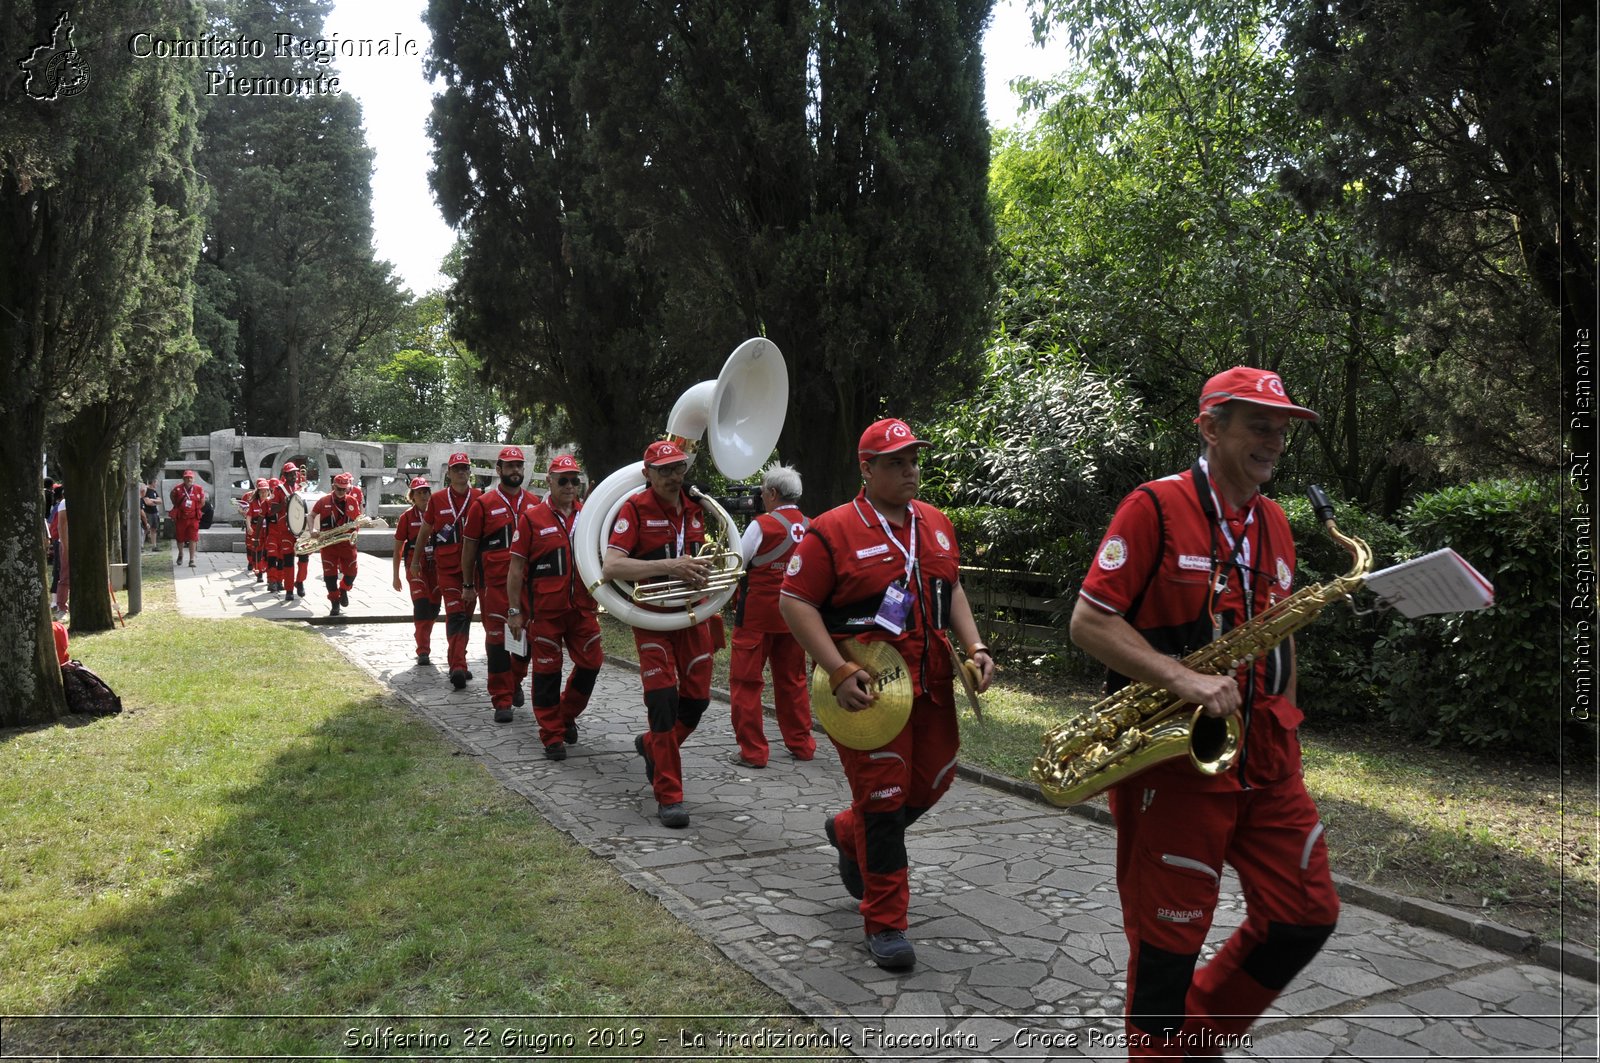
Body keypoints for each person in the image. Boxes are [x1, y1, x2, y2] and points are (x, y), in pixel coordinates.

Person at [1068, 366, 1336, 1058]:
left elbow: (1280, 635)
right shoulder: (1153, 507)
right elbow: (1090, 623)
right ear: (1210, 427)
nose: (1275, 440)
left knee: (1305, 915)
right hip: (1178, 761)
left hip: (1268, 760)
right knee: (1166, 953)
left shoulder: (1276, 522)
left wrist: (1290, 730)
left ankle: (1197, 1035)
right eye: (1259, 425)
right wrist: (1182, 678)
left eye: (1282, 428)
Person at [779, 418, 995, 971]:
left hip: (933, 688)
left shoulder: (937, 524)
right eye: (896, 462)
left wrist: (975, 648)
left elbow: (954, 590)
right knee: (883, 801)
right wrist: (836, 669)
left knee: (936, 779)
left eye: (913, 461)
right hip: (868, 692)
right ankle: (886, 922)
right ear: (867, 469)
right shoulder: (832, 530)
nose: (909, 471)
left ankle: (846, 832)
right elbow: (795, 603)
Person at [602, 440, 719, 829]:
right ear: (647, 474)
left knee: (697, 703)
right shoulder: (633, 509)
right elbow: (612, 566)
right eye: (664, 470)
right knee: (663, 702)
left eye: (678, 468)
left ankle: (652, 746)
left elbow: (705, 556)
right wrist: (671, 566)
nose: (673, 477)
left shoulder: (697, 507)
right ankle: (670, 796)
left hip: (692, 617)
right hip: (652, 619)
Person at [506, 454, 603, 760]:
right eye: (563, 480)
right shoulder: (532, 518)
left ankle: (564, 714)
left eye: (576, 480)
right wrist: (514, 611)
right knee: (548, 673)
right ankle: (551, 735)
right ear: (549, 481)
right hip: (545, 613)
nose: (571, 486)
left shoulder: (589, 516)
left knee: (592, 663)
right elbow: (516, 569)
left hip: (582, 609)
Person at [728, 463, 815, 768]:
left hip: (757, 615)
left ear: (774, 493)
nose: (761, 496)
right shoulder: (811, 524)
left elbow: (736, 562)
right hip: (797, 616)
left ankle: (753, 752)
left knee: (746, 682)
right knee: (793, 680)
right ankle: (802, 744)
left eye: (764, 490)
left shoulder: (761, 525)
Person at [460, 446, 534, 723]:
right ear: (499, 469)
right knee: (498, 643)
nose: (515, 470)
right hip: (494, 587)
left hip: (528, 587)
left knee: (527, 643)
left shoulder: (534, 503)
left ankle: (515, 681)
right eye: (509, 465)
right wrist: (468, 584)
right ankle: (501, 699)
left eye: (519, 465)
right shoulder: (483, 504)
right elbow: (469, 549)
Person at [411, 453, 482, 689]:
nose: (461, 472)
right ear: (449, 473)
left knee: (467, 616)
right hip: (448, 569)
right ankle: (458, 666)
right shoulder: (438, 500)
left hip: (472, 570)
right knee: (456, 614)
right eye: (456, 469)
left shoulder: (480, 498)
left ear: (469, 472)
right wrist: (415, 561)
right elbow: (424, 532)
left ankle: (459, 659)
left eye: (465, 468)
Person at [393, 476, 441, 666]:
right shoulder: (406, 517)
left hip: (436, 566)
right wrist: (395, 576)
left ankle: (422, 633)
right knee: (421, 607)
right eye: (419, 493)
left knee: (434, 609)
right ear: (412, 496)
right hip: (415, 567)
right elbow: (397, 549)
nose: (423, 496)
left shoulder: (439, 514)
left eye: (426, 492)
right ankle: (423, 650)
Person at [310, 471, 363, 616]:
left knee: (352, 572)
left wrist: (358, 528)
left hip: (347, 543)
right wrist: (312, 529)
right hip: (328, 544)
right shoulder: (324, 500)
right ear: (333, 486)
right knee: (330, 576)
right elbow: (311, 515)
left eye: (344, 489)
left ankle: (344, 589)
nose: (341, 492)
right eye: (338, 489)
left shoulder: (352, 501)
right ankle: (334, 603)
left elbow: (357, 519)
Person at [266, 461, 309, 601]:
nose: (293, 476)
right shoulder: (278, 490)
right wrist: (283, 503)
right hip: (285, 530)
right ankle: (289, 590)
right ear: (284, 475)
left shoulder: (301, 488)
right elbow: (271, 510)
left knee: (304, 558)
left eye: (294, 473)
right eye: (290, 474)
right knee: (288, 561)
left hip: (301, 529)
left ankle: (300, 581)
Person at [169, 471, 205, 568]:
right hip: (181, 518)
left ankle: (191, 559)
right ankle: (180, 554)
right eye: (187, 477)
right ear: (183, 479)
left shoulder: (198, 489)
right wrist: (177, 506)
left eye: (191, 478)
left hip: (193, 518)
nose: (189, 479)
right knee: (180, 538)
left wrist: (195, 509)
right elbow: (172, 497)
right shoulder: (177, 489)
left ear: (193, 479)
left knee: (193, 538)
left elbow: (202, 502)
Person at [142, 480, 161, 547]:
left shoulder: (154, 491)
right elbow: (148, 503)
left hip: (154, 512)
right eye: (156, 482)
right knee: (146, 528)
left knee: (154, 529)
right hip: (147, 512)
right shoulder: (146, 491)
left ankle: (154, 545)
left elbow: (160, 501)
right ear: (153, 482)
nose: (157, 484)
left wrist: (152, 500)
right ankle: (141, 545)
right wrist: (155, 502)